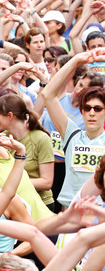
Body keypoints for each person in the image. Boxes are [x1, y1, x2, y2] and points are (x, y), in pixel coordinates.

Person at [41, 49, 105, 210]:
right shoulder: (72, 134)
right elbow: (48, 94)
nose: (91, 113)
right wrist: (76, 60)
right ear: (82, 111)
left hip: (99, 213)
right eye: (87, 108)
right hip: (68, 210)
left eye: (97, 109)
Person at [0, 94, 55, 211]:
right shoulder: (2, 137)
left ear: (10, 116)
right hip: (13, 204)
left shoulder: (41, 139)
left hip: (40, 204)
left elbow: (47, 182)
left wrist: (12, 183)